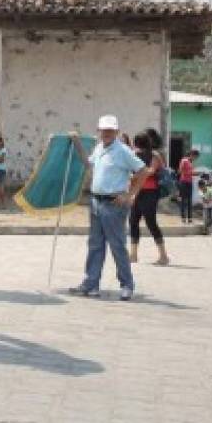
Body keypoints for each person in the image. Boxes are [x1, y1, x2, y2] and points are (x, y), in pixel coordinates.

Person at [68, 116, 151, 300]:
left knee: (117, 245)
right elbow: (88, 164)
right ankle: (91, 284)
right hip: (96, 202)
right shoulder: (99, 148)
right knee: (95, 244)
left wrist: (130, 195)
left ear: (116, 132)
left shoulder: (122, 151)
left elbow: (143, 171)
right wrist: (76, 142)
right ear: (99, 131)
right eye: (103, 130)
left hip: (114, 203)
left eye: (110, 130)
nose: (106, 133)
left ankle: (127, 284)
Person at [128, 130, 169, 267]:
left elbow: (151, 171)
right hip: (136, 191)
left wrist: (136, 175)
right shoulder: (134, 154)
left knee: (151, 222)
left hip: (151, 192)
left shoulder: (155, 155)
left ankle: (163, 256)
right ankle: (133, 254)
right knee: (133, 221)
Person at [177, 148, 198, 223]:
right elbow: (180, 171)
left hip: (189, 182)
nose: (195, 158)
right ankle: (183, 217)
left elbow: (190, 171)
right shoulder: (184, 160)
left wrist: (194, 173)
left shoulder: (190, 162)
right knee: (183, 200)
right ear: (192, 155)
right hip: (183, 182)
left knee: (189, 200)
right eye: (195, 156)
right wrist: (191, 173)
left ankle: (189, 217)